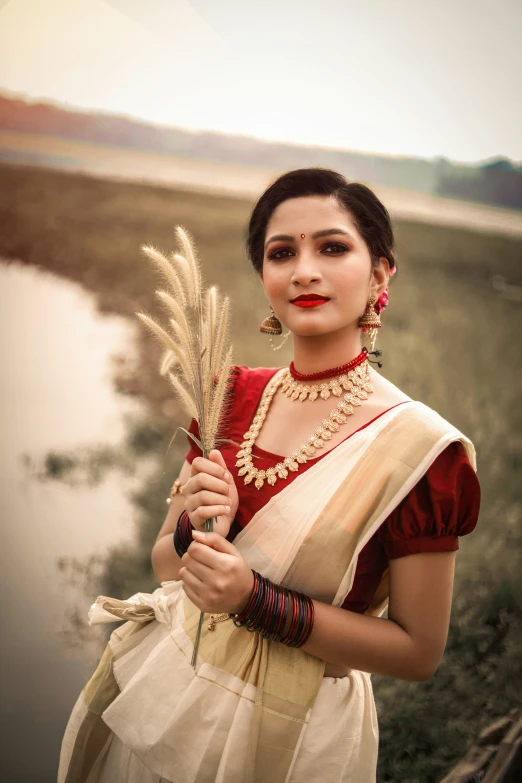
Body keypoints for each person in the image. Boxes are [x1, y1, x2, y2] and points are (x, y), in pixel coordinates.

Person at [58, 168, 480, 783]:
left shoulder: (421, 451)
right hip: (167, 689)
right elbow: (167, 564)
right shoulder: (228, 395)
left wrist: (254, 601)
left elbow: (418, 651)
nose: (303, 269)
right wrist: (195, 536)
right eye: (282, 253)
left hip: (293, 733)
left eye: (332, 248)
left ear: (381, 274)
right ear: (265, 277)